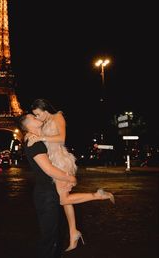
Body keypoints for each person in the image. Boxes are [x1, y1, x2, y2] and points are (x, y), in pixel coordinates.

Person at [29, 98, 115, 251]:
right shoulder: (44, 121)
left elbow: (61, 139)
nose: (37, 117)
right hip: (53, 160)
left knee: (63, 199)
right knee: (65, 199)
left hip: (60, 160)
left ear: (45, 109)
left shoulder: (58, 117)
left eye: (37, 114)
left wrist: (40, 137)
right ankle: (73, 231)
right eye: (34, 115)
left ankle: (98, 195)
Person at [18, 113, 77, 258]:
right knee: (50, 238)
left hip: (47, 193)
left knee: (52, 235)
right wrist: (71, 178)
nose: (36, 116)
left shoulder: (37, 140)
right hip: (46, 195)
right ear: (27, 126)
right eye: (32, 117)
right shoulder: (35, 143)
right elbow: (49, 169)